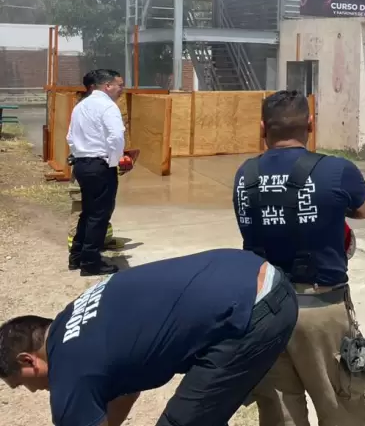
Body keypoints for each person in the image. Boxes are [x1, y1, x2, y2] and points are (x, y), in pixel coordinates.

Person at [0, 249, 298, 426]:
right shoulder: (72, 317)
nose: (31, 391)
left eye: (21, 383)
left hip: (253, 310)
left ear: (27, 359)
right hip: (251, 270)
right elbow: (126, 388)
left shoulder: (68, 377)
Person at [234, 90, 365, 426]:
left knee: (280, 412)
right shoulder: (336, 170)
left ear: (262, 128)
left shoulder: (245, 175)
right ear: (310, 125)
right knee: (341, 406)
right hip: (320, 310)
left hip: (265, 309)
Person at [65, 69, 130, 275]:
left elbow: (70, 137)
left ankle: (77, 256)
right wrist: (114, 161)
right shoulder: (108, 106)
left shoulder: (81, 106)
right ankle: (91, 263)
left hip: (82, 164)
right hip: (99, 166)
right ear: (107, 86)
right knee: (99, 215)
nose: (122, 89)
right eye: (119, 85)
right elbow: (117, 135)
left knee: (89, 212)